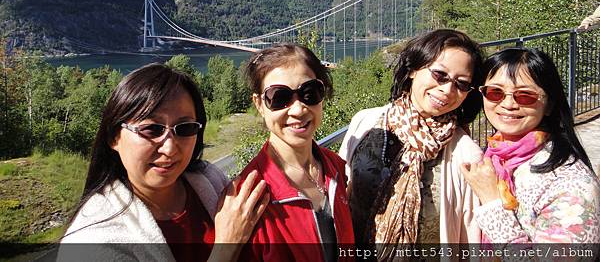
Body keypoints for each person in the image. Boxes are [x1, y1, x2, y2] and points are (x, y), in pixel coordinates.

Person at [60, 63, 270, 262]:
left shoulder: (211, 182)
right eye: (151, 129)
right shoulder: (92, 243)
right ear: (114, 137)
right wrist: (226, 248)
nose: (169, 148)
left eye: (185, 128)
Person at [338, 29, 485, 254]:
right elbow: (339, 196)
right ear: (414, 69)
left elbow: (470, 239)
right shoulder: (366, 122)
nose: (447, 90)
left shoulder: (467, 155)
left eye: (461, 83)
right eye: (439, 75)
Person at [461, 48, 600, 243]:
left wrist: (492, 202)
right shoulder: (494, 157)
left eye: (525, 96)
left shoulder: (572, 185)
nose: (508, 104)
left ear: (549, 104)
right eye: (495, 92)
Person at [238, 44, 354, 262]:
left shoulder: (336, 167)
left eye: (310, 93)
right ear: (259, 104)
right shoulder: (248, 197)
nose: (298, 109)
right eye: (279, 97)